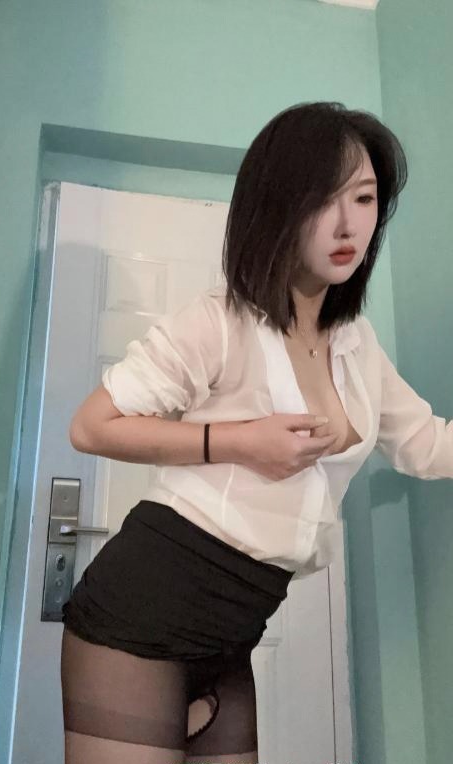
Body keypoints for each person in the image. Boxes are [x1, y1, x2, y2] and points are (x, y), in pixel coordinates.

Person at [59, 101, 453, 764]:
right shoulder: (219, 321)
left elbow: (428, 444)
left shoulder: (357, 344)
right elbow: (91, 425)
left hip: (232, 634)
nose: (346, 223)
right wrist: (238, 441)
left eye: (363, 198)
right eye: (321, 199)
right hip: (139, 615)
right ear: (277, 207)